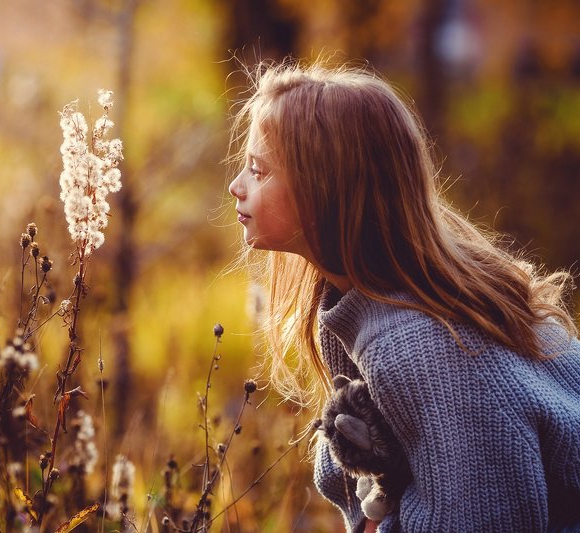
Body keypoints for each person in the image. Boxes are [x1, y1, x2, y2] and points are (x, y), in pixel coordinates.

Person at [227, 60, 580, 533]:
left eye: (259, 170)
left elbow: (485, 519)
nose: (237, 186)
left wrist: (384, 493)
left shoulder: (420, 348)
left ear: (326, 188)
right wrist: (386, 471)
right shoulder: (359, 302)